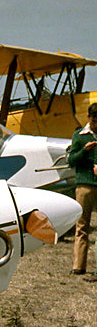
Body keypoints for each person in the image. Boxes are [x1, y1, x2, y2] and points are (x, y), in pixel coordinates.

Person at [68, 103, 97, 277]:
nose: (96, 124)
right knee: (82, 225)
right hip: (85, 184)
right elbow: (72, 160)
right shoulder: (79, 136)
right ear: (88, 118)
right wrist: (84, 151)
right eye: (94, 120)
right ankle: (79, 266)